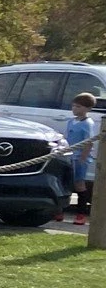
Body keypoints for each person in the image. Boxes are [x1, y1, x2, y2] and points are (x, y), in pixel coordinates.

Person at [65, 91, 98, 221]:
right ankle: (59, 211)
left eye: (79, 107)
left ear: (88, 108)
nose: (75, 109)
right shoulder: (71, 121)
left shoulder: (87, 123)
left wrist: (83, 158)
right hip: (69, 156)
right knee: (66, 182)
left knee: (79, 184)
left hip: (79, 158)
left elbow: (88, 142)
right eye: (74, 106)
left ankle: (81, 214)